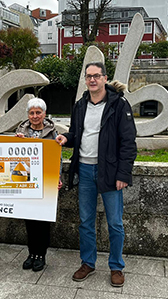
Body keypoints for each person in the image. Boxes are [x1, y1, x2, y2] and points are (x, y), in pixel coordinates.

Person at [55, 62, 137, 287]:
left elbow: (128, 142)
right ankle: (88, 262)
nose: (92, 80)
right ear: (86, 79)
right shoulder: (80, 105)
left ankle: (116, 266)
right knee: (86, 222)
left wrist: (123, 174)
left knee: (115, 223)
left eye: (97, 76)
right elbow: (76, 133)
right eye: (89, 76)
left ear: (104, 78)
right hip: (84, 169)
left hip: (110, 172)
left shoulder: (119, 104)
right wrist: (66, 139)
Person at [15, 97, 62, 272]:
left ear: (44, 113)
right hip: (25, 181)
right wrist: (17, 141)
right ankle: (31, 253)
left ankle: (41, 254)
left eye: (38, 112)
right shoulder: (21, 130)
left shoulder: (53, 132)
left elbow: (58, 157)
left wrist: (57, 176)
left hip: (45, 181)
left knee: (42, 220)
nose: (35, 116)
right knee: (29, 220)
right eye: (31, 113)